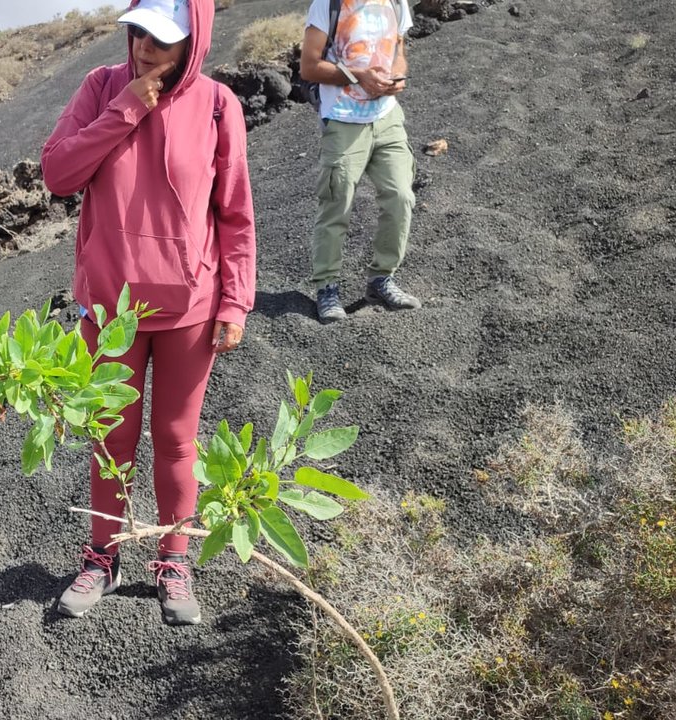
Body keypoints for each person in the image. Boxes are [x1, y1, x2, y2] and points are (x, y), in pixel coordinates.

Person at [41, 0, 256, 626]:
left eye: (161, 38)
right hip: (109, 308)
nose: (145, 48)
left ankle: (173, 559)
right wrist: (129, 106)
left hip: (190, 305)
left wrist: (235, 299)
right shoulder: (101, 87)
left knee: (175, 439)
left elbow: (235, 214)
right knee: (110, 437)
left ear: (194, 39)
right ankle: (101, 557)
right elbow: (58, 173)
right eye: (137, 32)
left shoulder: (219, 104)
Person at [300, 0, 420, 322]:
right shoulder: (328, 4)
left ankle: (381, 279)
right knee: (337, 204)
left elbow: (400, 52)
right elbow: (308, 67)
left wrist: (397, 76)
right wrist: (358, 76)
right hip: (342, 119)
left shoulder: (396, 2)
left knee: (400, 196)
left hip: (387, 115)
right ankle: (327, 288)